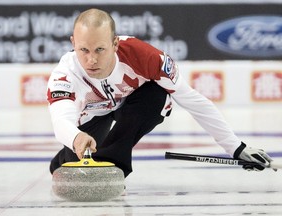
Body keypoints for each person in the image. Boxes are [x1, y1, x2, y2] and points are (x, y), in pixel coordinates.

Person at [47, 8, 274, 178]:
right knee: (65, 167)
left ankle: (112, 165)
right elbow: (61, 119)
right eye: (83, 50)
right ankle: (64, 158)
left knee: (158, 92)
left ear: (115, 43)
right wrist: (76, 138)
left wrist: (236, 147)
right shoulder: (65, 75)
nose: (91, 59)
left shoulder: (148, 58)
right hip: (92, 115)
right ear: (73, 43)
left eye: (100, 49)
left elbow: (193, 101)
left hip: (133, 107)